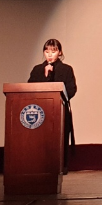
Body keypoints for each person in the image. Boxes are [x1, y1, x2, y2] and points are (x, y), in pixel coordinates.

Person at [28, 39, 77, 170]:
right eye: (47, 51)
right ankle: (39, 165)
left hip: (60, 111)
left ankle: (61, 166)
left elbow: (71, 89)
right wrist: (45, 76)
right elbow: (30, 88)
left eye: (53, 51)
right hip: (40, 111)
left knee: (60, 138)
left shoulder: (66, 69)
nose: (50, 54)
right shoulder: (37, 69)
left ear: (60, 53)